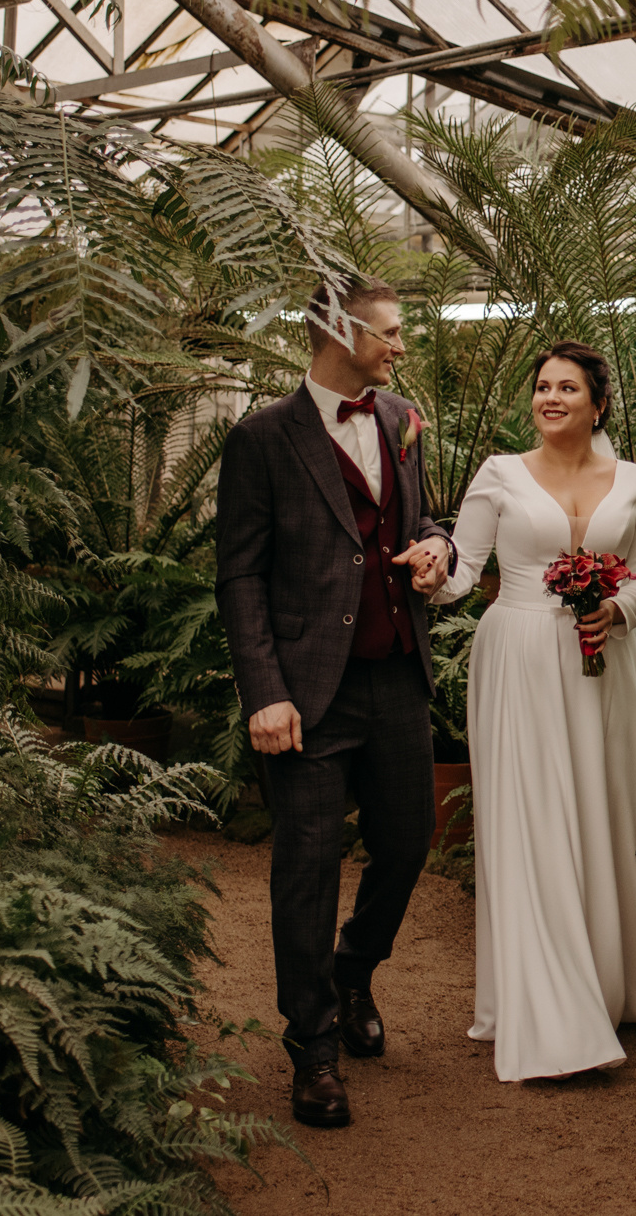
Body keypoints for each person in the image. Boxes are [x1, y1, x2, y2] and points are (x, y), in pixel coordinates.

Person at [426, 340, 636, 1081]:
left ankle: (614, 975)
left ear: (599, 404)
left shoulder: (633, 481)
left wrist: (615, 610)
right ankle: (554, 1010)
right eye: (542, 387)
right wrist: (431, 572)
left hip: (601, 665)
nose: (550, 398)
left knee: (602, 806)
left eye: (567, 388)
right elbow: (463, 570)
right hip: (518, 658)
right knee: (534, 818)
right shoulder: (499, 474)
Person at [215, 275, 455, 1129]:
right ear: (341, 333)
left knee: (408, 842)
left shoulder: (402, 419)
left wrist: (436, 549)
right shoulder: (261, 438)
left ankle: (353, 970)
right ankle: (313, 1048)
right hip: (308, 694)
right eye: (391, 332)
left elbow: (428, 521)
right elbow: (240, 576)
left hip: (397, 677)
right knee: (307, 869)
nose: (401, 346)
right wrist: (266, 693)